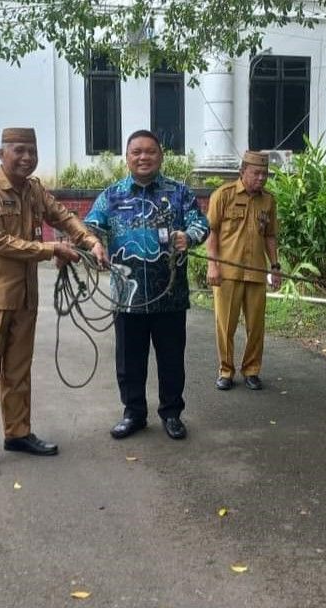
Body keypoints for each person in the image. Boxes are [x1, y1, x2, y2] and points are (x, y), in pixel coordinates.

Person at [0, 127, 109, 476]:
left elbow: (62, 215)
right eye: (19, 151)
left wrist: (90, 241)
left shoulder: (34, 189)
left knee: (18, 369)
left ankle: (18, 433)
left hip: (24, 296)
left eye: (32, 151)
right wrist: (52, 249)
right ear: (2, 153)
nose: (27, 157)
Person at [85, 130, 210, 441]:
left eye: (150, 151)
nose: (143, 157)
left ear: (161, 156)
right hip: (127, 297)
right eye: (136, 152)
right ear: (127, 158)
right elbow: (89, 226)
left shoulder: (179, 193)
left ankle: (171, 414)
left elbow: (201, 223)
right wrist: (93, 244)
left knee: (171, 358)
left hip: (169, 295)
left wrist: (188, 236)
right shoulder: (111, 195)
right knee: (129, 361)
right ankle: (134, 414)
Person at [206, 151, 281, 391]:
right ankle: (226, 371)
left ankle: (251, 370)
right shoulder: (224, 195)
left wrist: (275, 266)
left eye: (265, 174)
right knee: (225, 325)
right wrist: (212, 265)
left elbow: (270, 236)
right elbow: (212, 232)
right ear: (242, 172)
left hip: (256, 272)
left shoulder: (268, 201)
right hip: (227, 272)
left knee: (256, 326)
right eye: (256, 173)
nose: (261, 178)